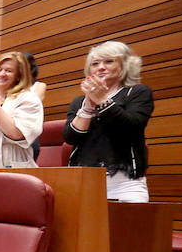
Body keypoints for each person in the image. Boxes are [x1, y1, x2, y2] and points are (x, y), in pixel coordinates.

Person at [63, 40, 154, 201]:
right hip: (85, 181)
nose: (101, 67)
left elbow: (131, 126)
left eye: (109, 61)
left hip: (125, 183)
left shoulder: (137, 92)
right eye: (95, 63)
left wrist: (102, 100)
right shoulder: (79, 101)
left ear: (124, 65)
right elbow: (71, 138)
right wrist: (88, 108)